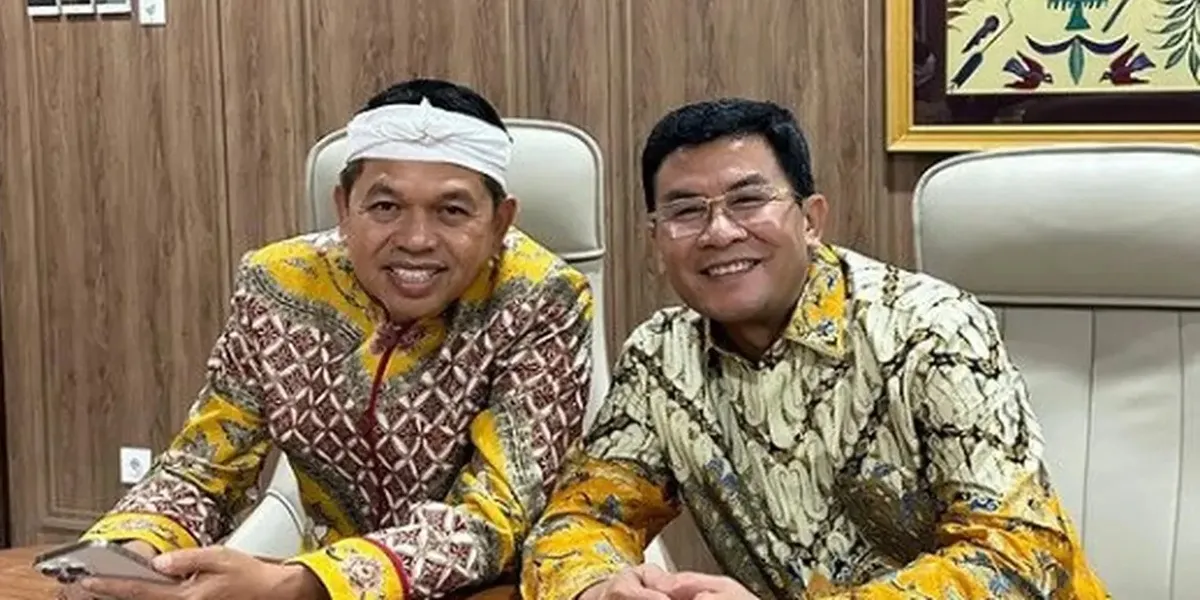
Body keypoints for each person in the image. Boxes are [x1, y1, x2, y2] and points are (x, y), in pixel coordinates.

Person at [521, 98, 1110, 599]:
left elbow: (1018, 555)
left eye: (748, 201)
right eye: (685, 211)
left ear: (810, 219)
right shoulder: (661, 357)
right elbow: (583, 516)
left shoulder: (931, 329)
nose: (719, 232)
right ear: (656, 240)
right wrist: (597, 585)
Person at [61, 78, 594, 600]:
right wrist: (134, 553)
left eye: (451, 211)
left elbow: (495, 517)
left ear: (500, 222)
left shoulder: (542, 299)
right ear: (343, 208)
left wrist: (297, 583)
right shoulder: (280, 283)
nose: (416, 239)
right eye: (385, 207)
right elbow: (204, 466)